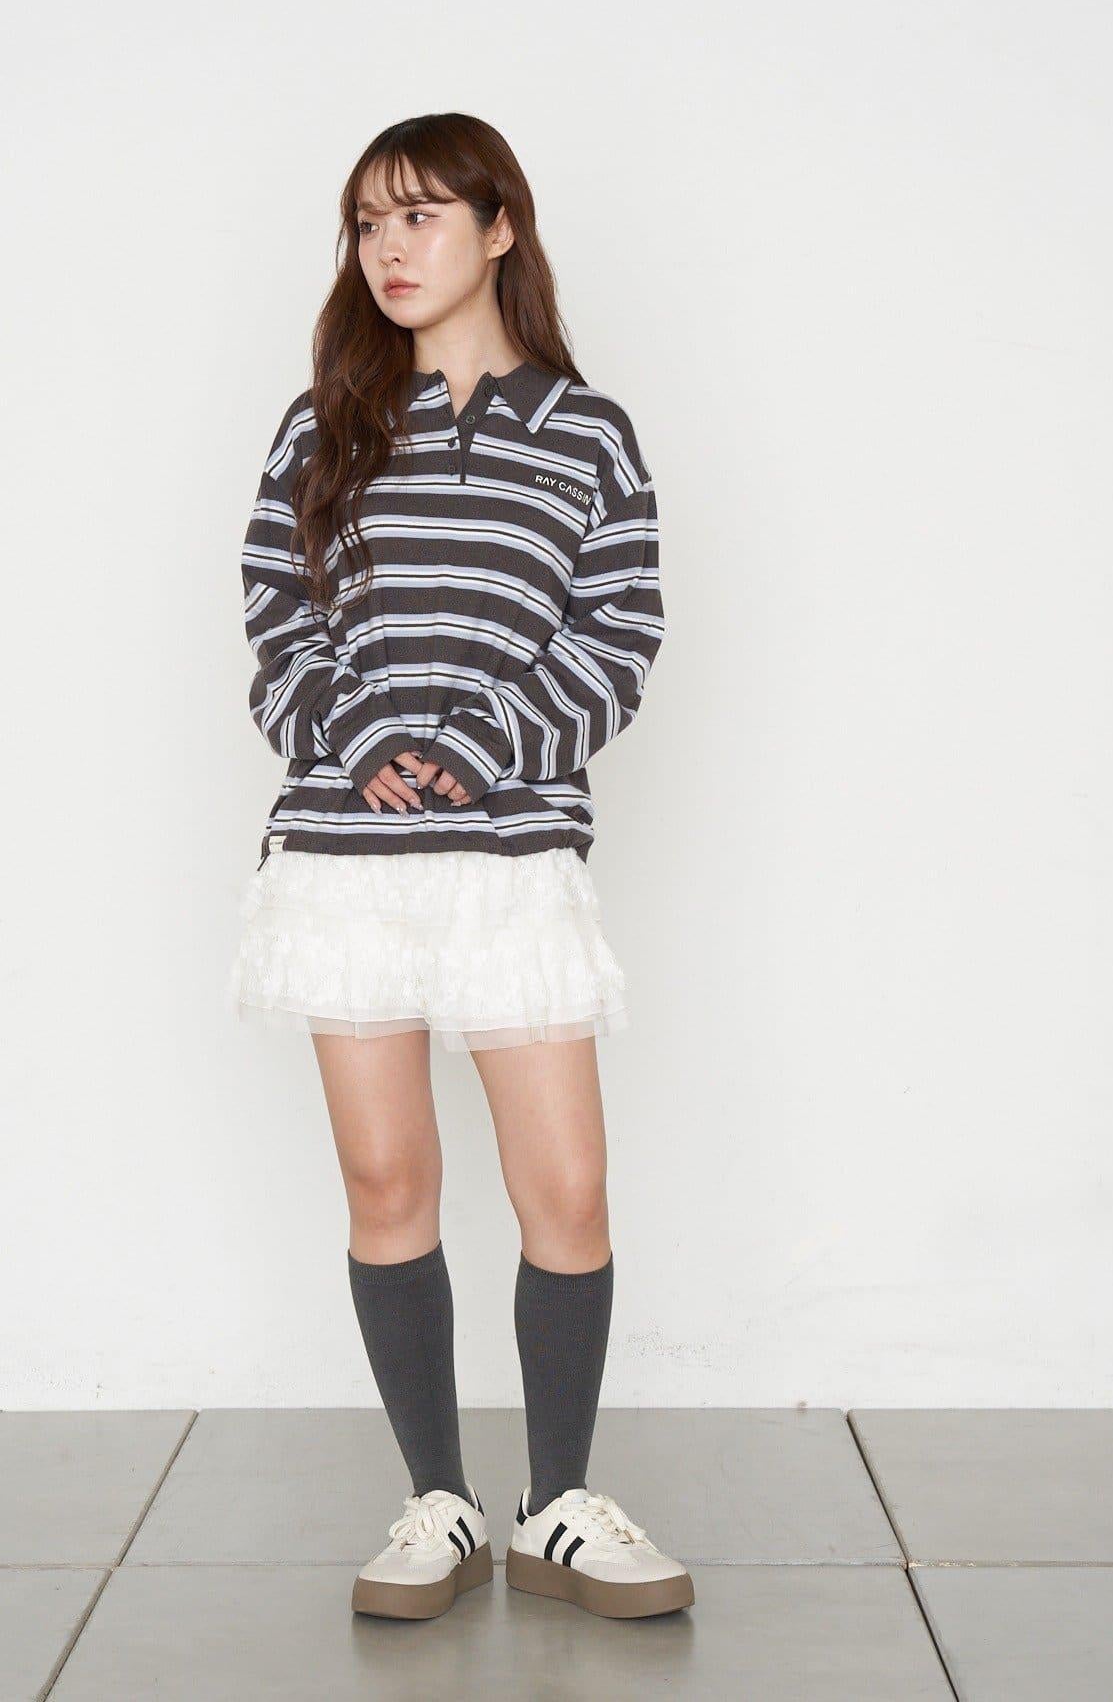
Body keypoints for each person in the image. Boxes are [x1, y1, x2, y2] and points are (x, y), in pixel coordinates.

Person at [227, 113, 691, 1623]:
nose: (390, 248)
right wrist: (357, 735)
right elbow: (277, 623)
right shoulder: (320, 429)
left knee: (567, 1189)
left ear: (500, 230)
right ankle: (438, 1501)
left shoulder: (587, 435)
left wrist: (487, 742)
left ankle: (558, 1507)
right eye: (368, 224)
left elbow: (619, 636)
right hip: (345, 863)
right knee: (388, 1183)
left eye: (421, 215)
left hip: (510, 861)